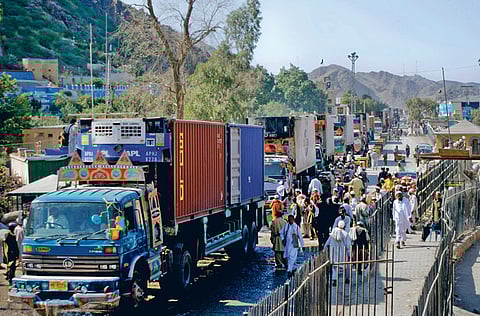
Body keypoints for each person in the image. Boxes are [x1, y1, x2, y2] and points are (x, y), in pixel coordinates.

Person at [324, 220, 351, 286]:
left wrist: (324, 248)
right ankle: (346, 278)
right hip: (342, 253)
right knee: (345, 266)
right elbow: (348, 245)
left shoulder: (332, 233)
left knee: (334, 266)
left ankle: (334, 279)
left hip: (333, 253)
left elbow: (327, 242)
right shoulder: (345, 234)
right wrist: (349, 253)